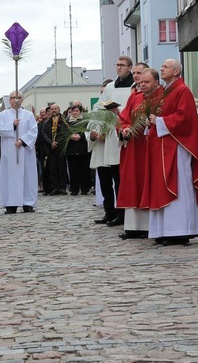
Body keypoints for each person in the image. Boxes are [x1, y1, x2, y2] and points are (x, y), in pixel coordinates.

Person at [145, 59, 198, 245]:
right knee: (162, 186)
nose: (161, 68)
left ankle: (180, 231)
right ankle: (165, 230)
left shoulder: (183, 91)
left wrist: (159, 121)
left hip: (178, 147)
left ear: (175, 71)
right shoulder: (168, 91)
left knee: (179, 187)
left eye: (165, 67)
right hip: (164, 147)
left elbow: (184, 118)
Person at [92, 56, 134, 226]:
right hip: (106, 137)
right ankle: (109, 211)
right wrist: (95, 131)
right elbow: (98, 109)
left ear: (129, 67)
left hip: (122, 135)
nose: (118, 68)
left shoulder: (134, 87)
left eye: (122, 65)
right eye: (116, 65)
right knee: (104, 178)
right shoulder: (109, 87)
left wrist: (119, 113)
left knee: (119, 179)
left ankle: (121, 213)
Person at [116, 63, 151, 239]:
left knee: (144, 183)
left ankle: (147, 226)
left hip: (146, 147)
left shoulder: (154, 96)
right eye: (135, 73)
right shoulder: (134, 97)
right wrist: (125, 129)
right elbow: (124, 119)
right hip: (132, 147)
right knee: (131, 183)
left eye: (140, 73)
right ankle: (132, 226)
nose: (136, 76)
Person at [0, 91, 38, 214]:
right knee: (9, 177)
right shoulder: (3, 115)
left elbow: (33, 131)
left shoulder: (28, 115)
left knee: (27, 176)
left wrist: (23, 140)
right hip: (9, 151)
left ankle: (28, 203)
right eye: (13, 98)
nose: (16, 100)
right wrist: (12, 125)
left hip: (25, 151)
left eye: (18, 98)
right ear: (9, 100)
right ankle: (10, 203)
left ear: (22, 100)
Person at [40, 104, 69, 195]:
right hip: (51, 149)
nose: (53, 110)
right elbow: (44, 133)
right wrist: (51, 142)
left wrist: (57, 142)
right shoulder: (47, 122)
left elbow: (65, 132)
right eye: (52, 109)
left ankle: (62, 187)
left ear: (59, 109)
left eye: (55, 108)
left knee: (62, 168)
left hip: (60, 148)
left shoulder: (64, 121)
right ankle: (54, 187)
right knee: (52, 169)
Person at [65, 104, 91, 196]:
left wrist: (81, 136)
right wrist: (70, 136)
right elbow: (63, 132)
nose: (75, 113)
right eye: (73, 111)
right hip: (71, 149)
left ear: (80, 112)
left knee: (84, 170)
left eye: (77, 111)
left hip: (83, 149)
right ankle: (74, 189)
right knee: (73, 171)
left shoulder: (85, 121)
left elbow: (88, 131)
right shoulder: (67, 121)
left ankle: (85, 188)